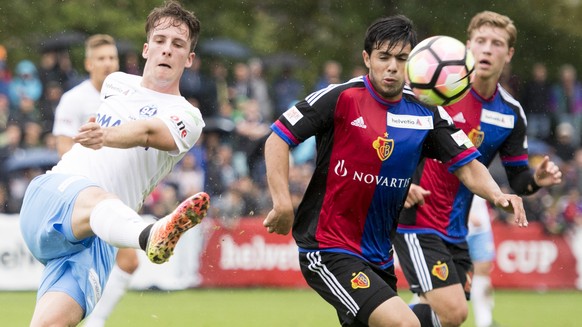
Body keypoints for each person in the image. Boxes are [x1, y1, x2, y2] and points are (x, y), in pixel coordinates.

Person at [263, 14, 528, 327]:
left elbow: (469, 166)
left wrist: (498, 194)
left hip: (379, 256)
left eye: (402, 58)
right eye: (383, 57)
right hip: (328, 247)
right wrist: (281, 202)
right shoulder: (341, 97)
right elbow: (279, 137)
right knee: (405, 323)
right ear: (367, 58)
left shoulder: (427, 112)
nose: (392, 66)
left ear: (413, 62)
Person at [18, 2, 209, 326]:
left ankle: (148, 234)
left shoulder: (189, 117)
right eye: (160, 41)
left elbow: (148, 132)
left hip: (100, 239)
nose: (167, 50)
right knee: (101, 198)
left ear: (188, 59)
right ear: (146, 49)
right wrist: (101, 134)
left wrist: (107, 134)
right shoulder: (116, 82)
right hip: (56, 194)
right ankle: (151, 233)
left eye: (178, 45)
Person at [393, 11, 563, 327]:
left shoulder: (511, 113)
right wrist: (400, 184)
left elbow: (519, 181)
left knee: (443, 317)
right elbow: (394, 140)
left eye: (496, 43)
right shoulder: (435, 93)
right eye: (480, 41)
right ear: (467, 46)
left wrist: (537, 180)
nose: (487, 49)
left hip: (459, 230)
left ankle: (381, 317)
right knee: (454, 312)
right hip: (417, 218)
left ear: (509, 53)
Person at [51, 33, 136, 327]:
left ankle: (95, 320)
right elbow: (63, 148)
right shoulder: (73, 99)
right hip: (82, 195)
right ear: (88, 63)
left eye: (112, 58)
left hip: (115, 193)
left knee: (129, 259)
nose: (108, 64)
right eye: (101, 59)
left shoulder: (128, 100)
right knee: (77, 266)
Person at [466, 196, 496, 327]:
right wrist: (466, 213)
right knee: (441, 274)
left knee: (483, 273)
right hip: (453, 227)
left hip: (481, 229)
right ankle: (416, 311)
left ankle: (485, 322)